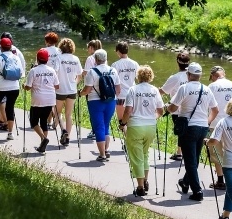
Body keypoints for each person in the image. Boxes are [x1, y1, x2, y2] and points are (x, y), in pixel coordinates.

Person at [167, 62, 218, 201]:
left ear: (188, 74)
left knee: (190, 160)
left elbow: (172, 108)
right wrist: (207, 121)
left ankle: (197, 191)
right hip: (202, 127)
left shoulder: (184, 88)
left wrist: (167, 107)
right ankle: (185, 182)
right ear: (200, 75)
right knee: (193, 158)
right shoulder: (207, 89)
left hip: (188, 127)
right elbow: (215, 110)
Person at [119, 65, 164, 196]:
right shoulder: (155, 90)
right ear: (150, 76)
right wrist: (152, 118)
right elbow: (160, 111)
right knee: (145, 154)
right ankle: (145, 181)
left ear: (138, 76)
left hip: (135, 126)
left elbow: (128, 110)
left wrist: (123, 123)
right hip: (150, 127)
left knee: (136, 156)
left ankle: (140, 187)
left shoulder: (133, 90)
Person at [79, 49, 121, 161]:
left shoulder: (92, 72)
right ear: (106, 59)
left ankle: (102, 155)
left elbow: (87, 90)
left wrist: (80, 93)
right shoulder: (113, 70)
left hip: (95, 102)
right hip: (111, 102)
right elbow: (118, 90)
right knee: (106, 126)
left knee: (99, 127)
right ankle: (106, 150)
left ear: (96, 60)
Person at [207, 65, 232, 189]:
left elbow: (208, 105)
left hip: (216, 123)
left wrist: (207, 121)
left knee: (217, 153)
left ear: (214, 76)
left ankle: (220, 180)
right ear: (224, 74)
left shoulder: (212, 86)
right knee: (231, 151)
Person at [23, 48, 60, 153]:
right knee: (44, 121)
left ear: (37, 59)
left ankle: (43, 138)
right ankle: (42, 145)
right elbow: (57, 86)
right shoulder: (52, 70)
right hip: (50, 100)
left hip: (38, 100)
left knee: (33, 121)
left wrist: (24, 86)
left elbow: (28, 87)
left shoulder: (33, 71)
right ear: (47, 59)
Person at [159, 51, 191, 160]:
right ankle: (181, 152)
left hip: (177, 109)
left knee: (181, 132)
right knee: (186, 131)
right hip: (192, 109)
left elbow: (162, 91)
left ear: (177, 63)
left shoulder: (175, 77)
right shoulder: (193, 76)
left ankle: (180, 153)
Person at [54, 38, 82, 146]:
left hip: (60, 89)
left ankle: (63, 130)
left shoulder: (59, 58)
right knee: (69, 114)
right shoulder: (76, 59)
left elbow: (55, 72)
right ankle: (68, 137)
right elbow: (80, 75)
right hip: (72, 90)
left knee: (57, 112)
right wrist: (75, 83)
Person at [111, 41, 139, 124]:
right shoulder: (135, 64)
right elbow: (139, 78)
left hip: (120, 96)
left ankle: (126, 136)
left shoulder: (115, 65)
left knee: (122, 122)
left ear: (118, 51)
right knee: (131, 121)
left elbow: (112, 81)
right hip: (132, 94)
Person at [82, 39, 102, 140]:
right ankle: (99, 129)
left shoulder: (90, 58)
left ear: (91, 48)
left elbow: (86, 73)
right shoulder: (103, 58)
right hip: (102, 87)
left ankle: (94, 131)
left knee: (93, 110)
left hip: (91, 87)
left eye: (88, 48)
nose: (87, 50)